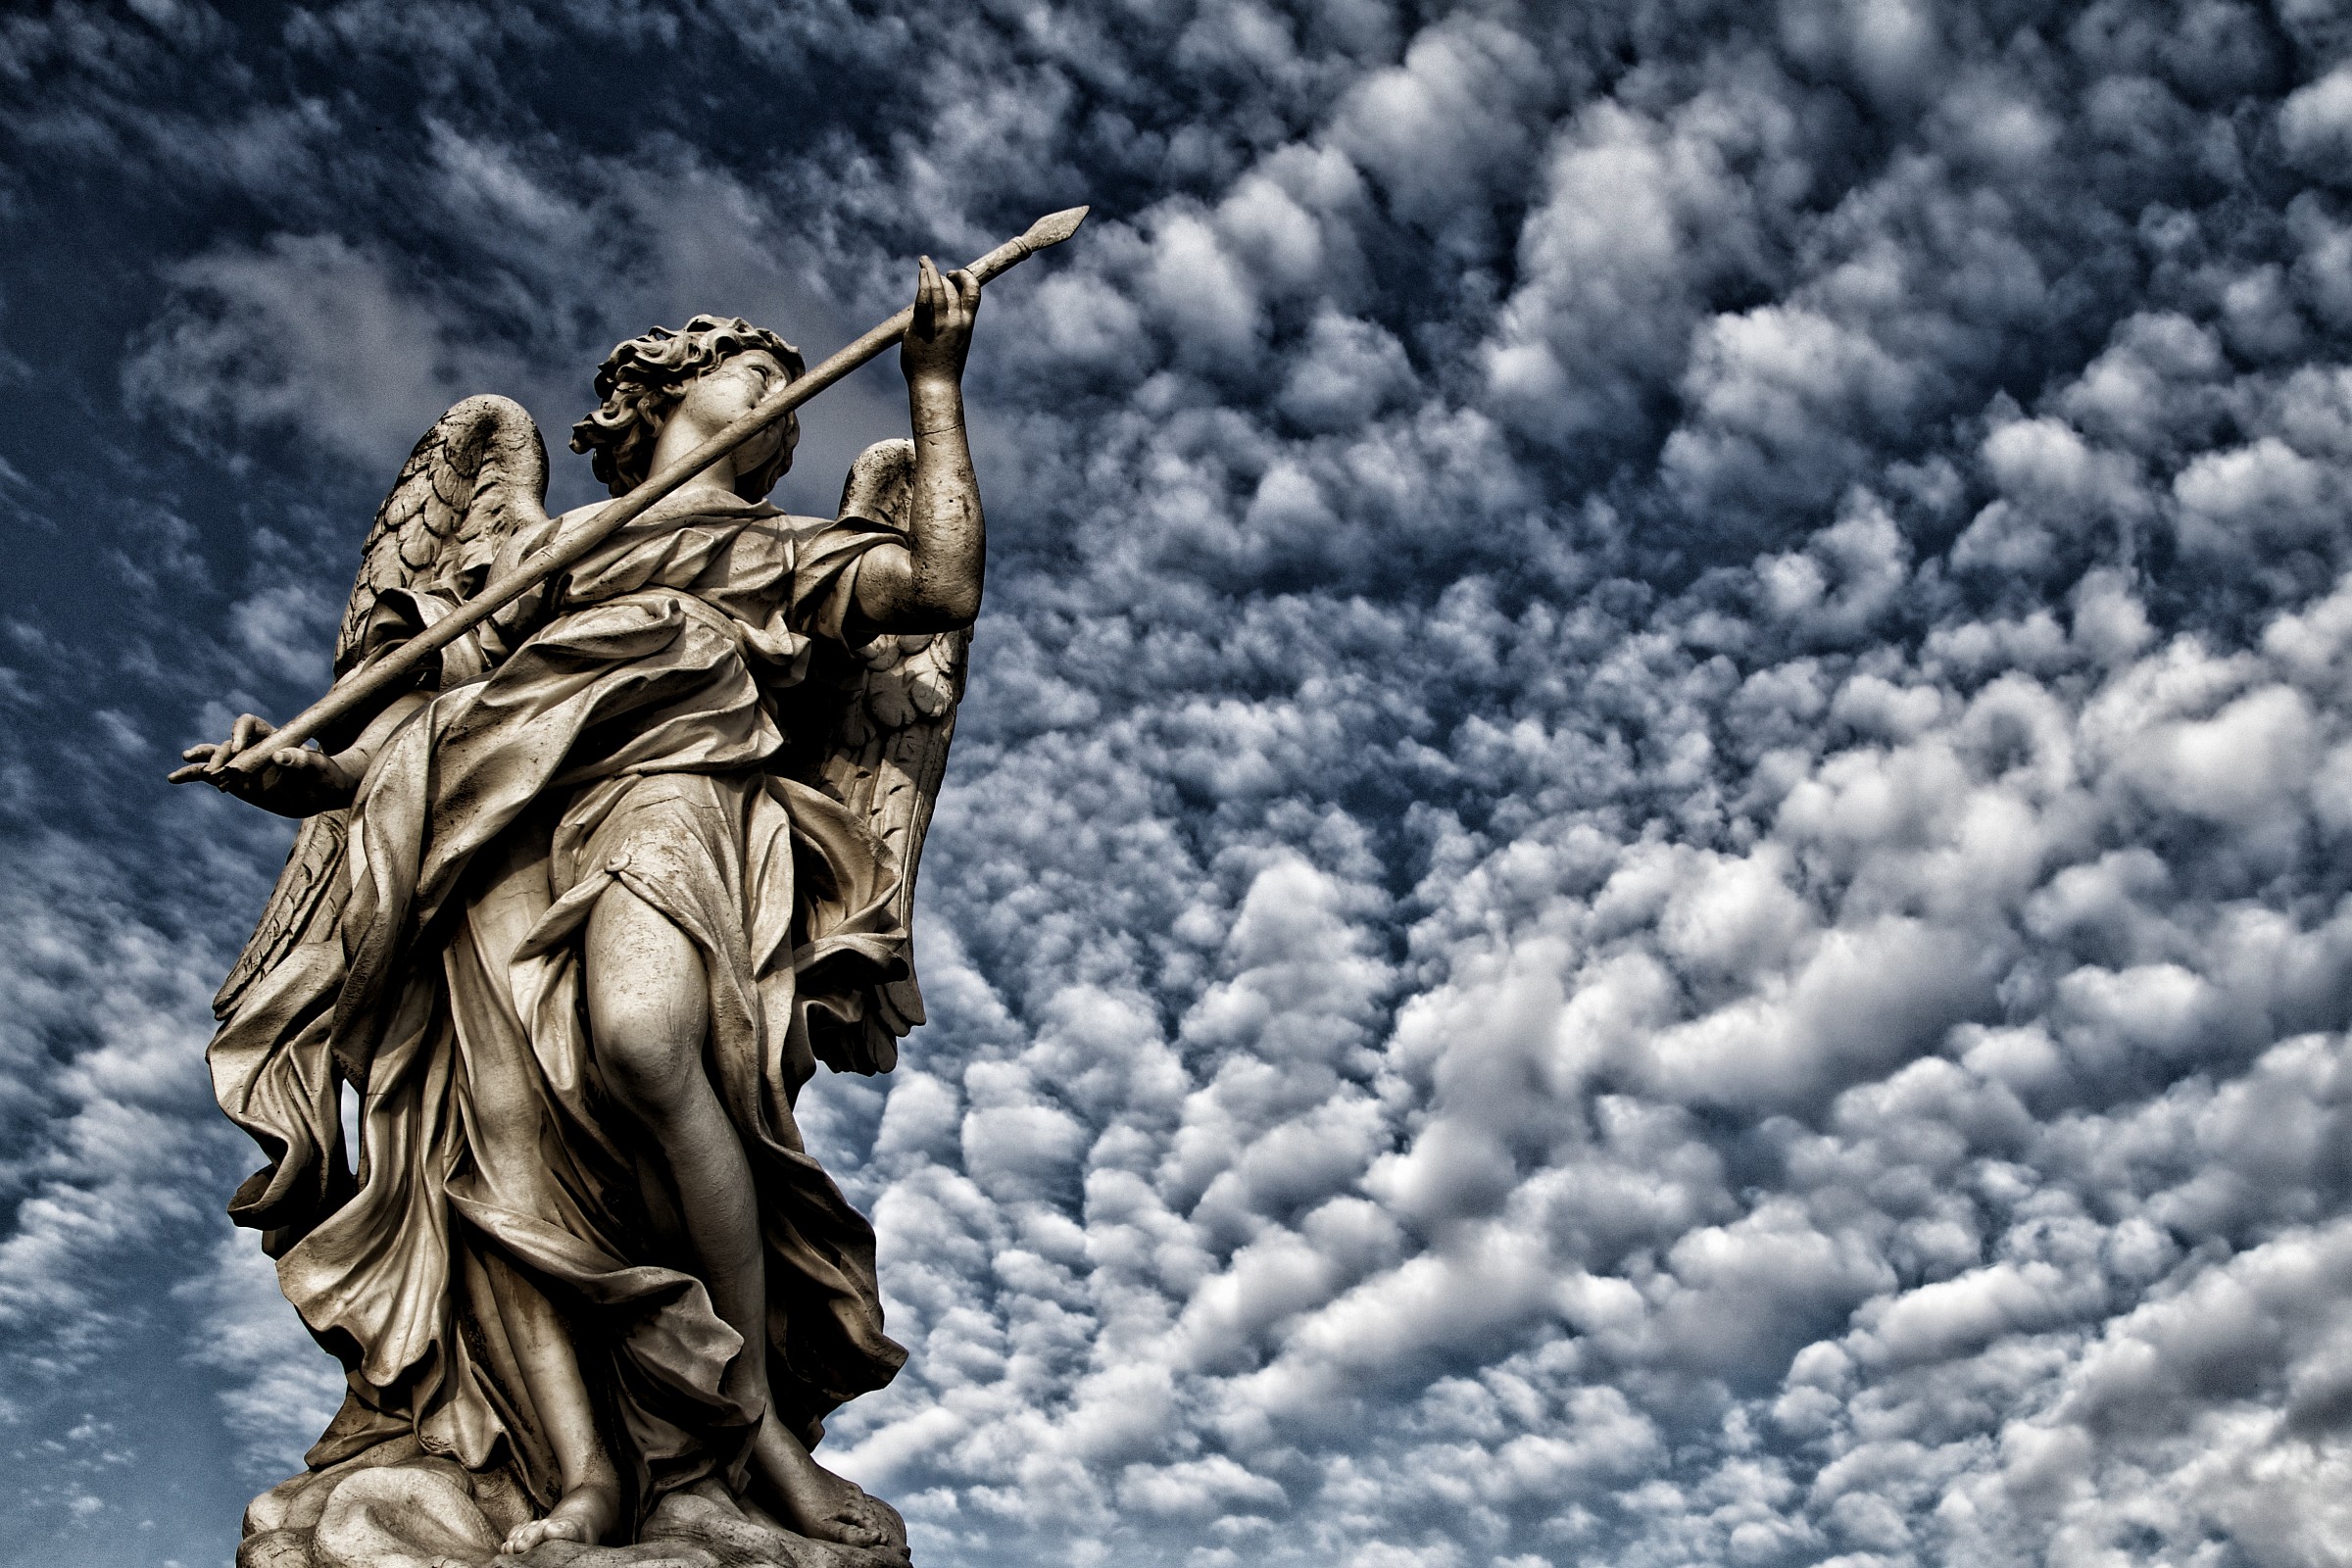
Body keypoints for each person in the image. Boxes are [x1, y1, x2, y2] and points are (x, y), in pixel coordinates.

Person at [172, 258, 985, 1554]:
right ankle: (588, 1476)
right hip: (489, 840)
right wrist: (307, 777)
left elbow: (939, 590)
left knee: (649, 1045)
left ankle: (752, 1430)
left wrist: (934, 390)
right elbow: (425, 725)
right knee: (495, 1150)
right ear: (666, 388)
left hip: (678, 802)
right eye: (760, 374)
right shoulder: (544, 551)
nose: (785, 400)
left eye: (791, 386)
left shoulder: (791, 549)